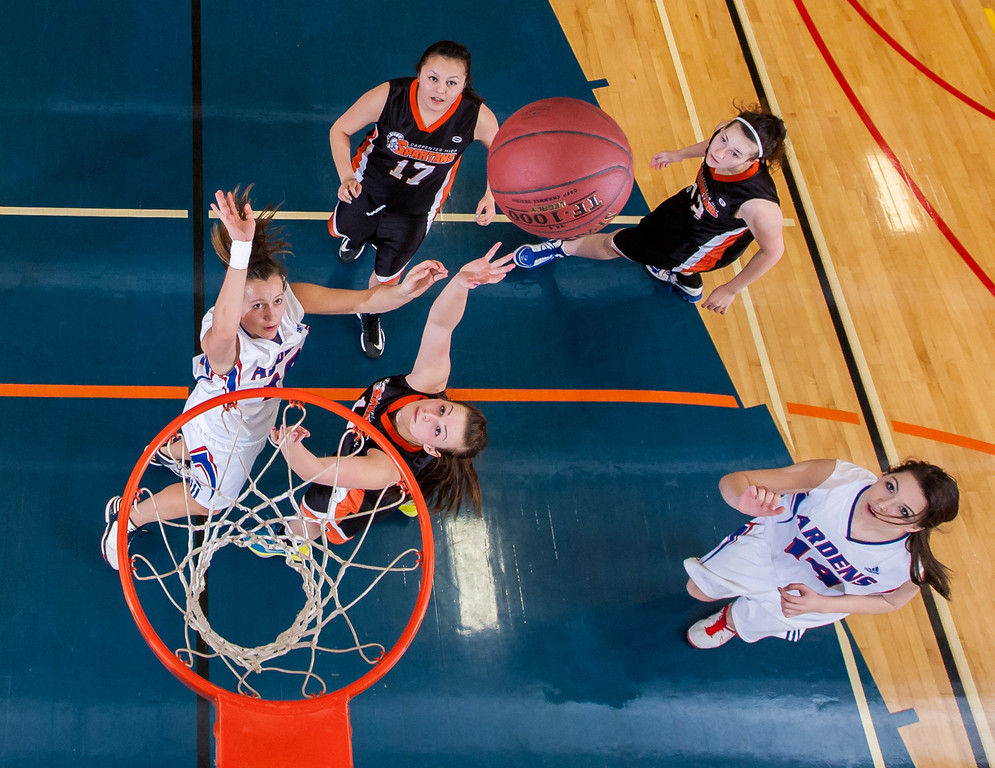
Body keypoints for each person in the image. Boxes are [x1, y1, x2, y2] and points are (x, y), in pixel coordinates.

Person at [100, 187, 447, 570]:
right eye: (258, 306)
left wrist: (405, 292)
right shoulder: (226, 342)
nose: (272, 315)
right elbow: (224, 331)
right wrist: (240, 250)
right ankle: (129, 515)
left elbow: (364, 301)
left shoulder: (290, 305)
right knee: (209, 503)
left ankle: (175, 452)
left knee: (200, 444)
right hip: (225, 434)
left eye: (277, 300)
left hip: (238, 416)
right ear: (236, 305)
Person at [266, 243, 514, 549]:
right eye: (443, 410)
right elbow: (441, 324)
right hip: (388, 456)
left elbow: (316, 470)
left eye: (438, 430)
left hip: (364, 492)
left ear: (432, 448)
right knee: (413, 476)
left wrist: (291, 447)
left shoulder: (384, 468)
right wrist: (462, 282)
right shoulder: (427, 384)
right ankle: (410, 496)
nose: (429, 414)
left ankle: (294, 542)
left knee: (316, 510)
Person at [513, 106, 787, 314]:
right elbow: (711, 146)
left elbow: (773, 252)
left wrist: (730, 289)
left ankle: (560, 248)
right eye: (724, 139)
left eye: (735, 154)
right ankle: (687, 281)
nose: (720, 152)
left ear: (754, 160)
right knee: (658, 235)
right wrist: (677, 155)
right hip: (686, 208)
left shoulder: (759, 206)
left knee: (613, 243)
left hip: (689, 246)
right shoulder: (724, 134)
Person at [328, 40, 500, 358]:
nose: (440, 90)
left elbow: (502, 152)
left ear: (465, 84)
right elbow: (340, 129)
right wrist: (346, 177)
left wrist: (491, 194)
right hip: (367, 189)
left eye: (452, 82)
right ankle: (356, 239)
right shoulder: (389, 96)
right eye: (433, 78)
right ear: (419, 72)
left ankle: (370, 312)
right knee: (350, 229)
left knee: (386, 275)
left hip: (416, 209)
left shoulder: (476, 117)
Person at [683, 458, 959, 648]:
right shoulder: (838, 479)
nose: (883, 504)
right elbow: (735, 480)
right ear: (885, 474)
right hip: (764, 549)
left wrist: (823, 605)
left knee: (749, 621)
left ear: (916, 526)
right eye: (890, 486)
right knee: (698, 590)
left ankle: (729, 620)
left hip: (811, 598)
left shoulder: (910, 566)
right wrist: (741, 500)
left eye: (903, 511)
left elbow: (889, 601)